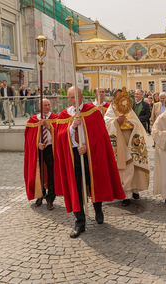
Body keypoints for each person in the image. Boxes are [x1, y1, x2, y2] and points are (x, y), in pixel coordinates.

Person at [56, 87, 125, 238]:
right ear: (69, 98)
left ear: (82, 96)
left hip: (90, 154)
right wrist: (72, 127)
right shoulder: (64, 115)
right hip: (73, 155)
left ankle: (98, 210)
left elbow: (100, 136)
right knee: (76, 187)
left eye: (77, 96)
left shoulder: (92, 112)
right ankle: (79, 222)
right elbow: (60, 137)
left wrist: (87, 146)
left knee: (95, 182)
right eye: (72, 97)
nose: (75, 100)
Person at [104, 89, 149, 206]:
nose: (122, 99)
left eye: (124, 97)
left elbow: (137, 123)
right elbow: (106, 123)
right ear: (114, 99)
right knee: (123, 167)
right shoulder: (111, 110)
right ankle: (125, 194)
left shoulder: (129, 109)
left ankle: (135, 189)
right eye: (119, 97)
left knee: (134, 165)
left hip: (131, 140)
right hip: (118, 142)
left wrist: (133, 126)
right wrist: (116, 121)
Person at [24, 99, 58, 210]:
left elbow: (60, 134)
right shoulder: (33, 120)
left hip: (51, 148)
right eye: (45, 105)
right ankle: (40, 195)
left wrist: (48, 126)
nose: (47, 107)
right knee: (39, 173)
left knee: (51, 174)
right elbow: (29, 138)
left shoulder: (55, 118)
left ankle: (50, 198)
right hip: (38, 149)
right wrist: (37, 143)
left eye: (48, 105)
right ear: (39, 106)